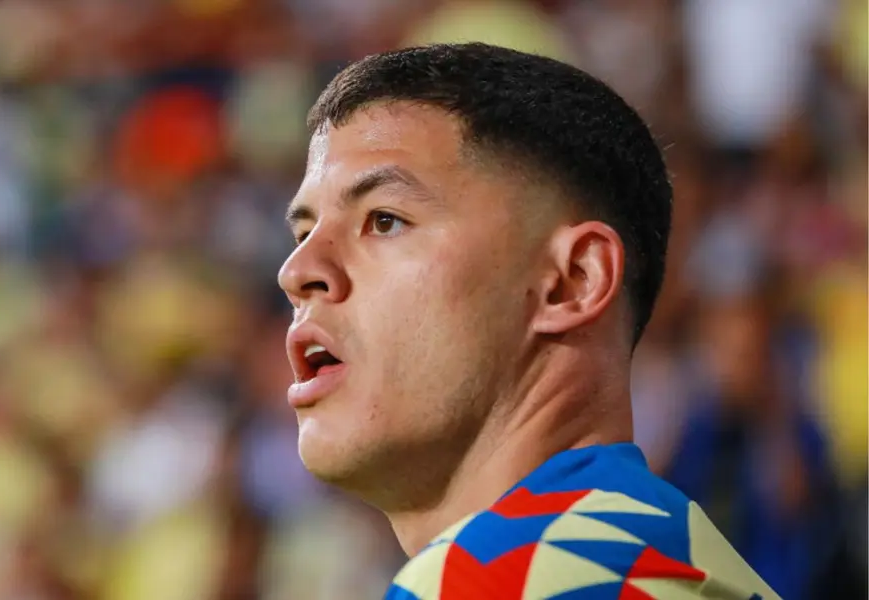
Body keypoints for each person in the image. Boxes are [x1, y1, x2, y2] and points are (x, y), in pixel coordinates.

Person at [276, 43, 779, 600]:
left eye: (385, 220)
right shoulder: (675, 563)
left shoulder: (505, 576)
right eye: (302, 235)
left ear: (572, 281)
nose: (297, 271)